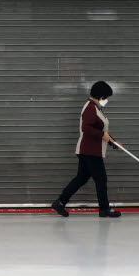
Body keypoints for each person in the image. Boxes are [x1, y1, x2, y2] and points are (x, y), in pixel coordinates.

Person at [52, 81, 122, 218]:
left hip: (89, 150)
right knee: (101, 179)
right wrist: (105, 136)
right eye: (106, 97)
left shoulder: (95, 107)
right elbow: (87, 128)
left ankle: (60, 202)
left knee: (81, 178)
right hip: (90, 151)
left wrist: (112, 142)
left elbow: (100, 130)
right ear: (101, 95)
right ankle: (104, 209)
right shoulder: (90, 108)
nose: (107, 100)